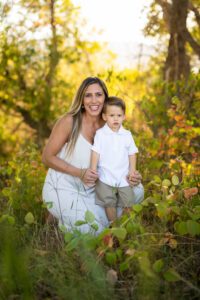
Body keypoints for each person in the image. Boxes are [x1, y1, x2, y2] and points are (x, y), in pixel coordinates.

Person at [42, 77, 144, 234]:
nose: (94, 100)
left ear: (105, 98)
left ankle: (108, 227)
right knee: (92, 230)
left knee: (137, 190)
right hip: (64, 185)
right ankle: (58, 217)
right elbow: (47, 157)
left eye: (98, 94)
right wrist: (79, 172)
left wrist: (132, 174)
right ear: (82, 100)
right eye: (88, 95)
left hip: (93, 189)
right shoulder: (70, 121)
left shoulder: (112, 125)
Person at [90, 96, 138, 223]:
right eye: (112, 115)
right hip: (105, 176)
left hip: (123, 177)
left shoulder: (127, 135)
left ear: (124, 117)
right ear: (105, 117)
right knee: (108, 202)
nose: (116, 118)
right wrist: (93, 169)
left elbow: (132, 153)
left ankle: (124, 225)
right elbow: (96, 152)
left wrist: (132, 171)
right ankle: (114, 225)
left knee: (128, 202)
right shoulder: (101, 134)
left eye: (119, 115)